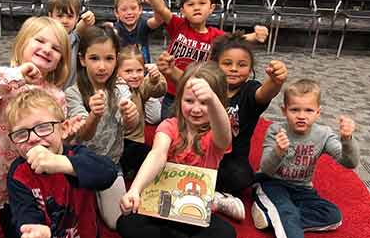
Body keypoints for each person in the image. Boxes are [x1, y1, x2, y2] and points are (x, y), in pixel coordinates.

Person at [0, 16, 70, 237]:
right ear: (21, 44)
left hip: (35, 176)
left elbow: (56, 141)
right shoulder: (4, 80)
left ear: (61, 60)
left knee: (34, 223)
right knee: (8, 223)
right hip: (2, 171)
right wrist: (16, 75)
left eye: (56, 48)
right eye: (40, 40)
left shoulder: (57, 96)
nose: (47, 49)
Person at [117, 65, 237, 238]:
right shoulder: (169, 126)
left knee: (225, 233)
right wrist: (135, 189)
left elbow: (224, 136)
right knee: (126, 223)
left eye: (204, 103)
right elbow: (157, 154)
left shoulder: (215, 132)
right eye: (189, 101)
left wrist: (212, 100)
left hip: (196, 211)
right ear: (179, 99)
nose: (196, 109)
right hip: (161, 205)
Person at [140, 0, 269, 120]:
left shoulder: (215, 35)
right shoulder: (178, 25)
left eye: (202, 3)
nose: (196, 7)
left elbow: (235, 40)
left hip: (196, 94)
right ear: (182, 10)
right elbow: (162, 8)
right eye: (190, 4)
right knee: (167, 126)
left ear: (211, 8)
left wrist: (256, 35)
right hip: (172, 93)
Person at [252, 79, 360, 238]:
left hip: (303, 188)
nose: (301, 116)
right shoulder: (276, 130)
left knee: (333, 215)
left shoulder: (324, 134)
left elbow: (350, 163)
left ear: (318, 112)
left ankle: (272, 216)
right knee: (287, 211)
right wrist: (278, 152)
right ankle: (282, 214)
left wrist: (348, 139)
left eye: (309, 110)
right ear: (284, 110)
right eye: (294, 110)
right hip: (273, 183)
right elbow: (265, 169)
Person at [6, 87, 118, 238]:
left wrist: (61, 163)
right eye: (21, 133)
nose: (32, 138)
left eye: (43, 127)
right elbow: (23, 214)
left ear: (63, 129)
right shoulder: (18, 173)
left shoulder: (76, 154)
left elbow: (108, 173)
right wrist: (35, 230)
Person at [65, 26, 139, 230]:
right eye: (94, 58)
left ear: (116, 59)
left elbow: (131, 127)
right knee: (75, 219)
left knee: (117, 222)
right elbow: (82, 135)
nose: (102, 66)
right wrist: (94, 116)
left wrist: (131, 115)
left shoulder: (120, 87)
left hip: (111, 163)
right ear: (82, 59)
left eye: (109, 59)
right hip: (80, 164)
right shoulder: (74, 93)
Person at [210, 34, 288, 213]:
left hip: (233, 159)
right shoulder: (210, 86)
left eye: (242, 65)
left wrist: (276, 81)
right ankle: (214, 194)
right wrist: (170, 71)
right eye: (227, 63)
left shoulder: (250, 89)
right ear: (216, 66)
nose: (234, 69)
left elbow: (264, 94)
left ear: (251, 68)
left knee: (242, 178)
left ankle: (216, 195)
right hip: (206, 153)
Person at [117, 46, 167, 180]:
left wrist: (155, 79)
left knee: (146, 153)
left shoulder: (139, 88)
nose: (134, 75)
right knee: (144, 153)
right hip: (118, 142)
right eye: (128, 71)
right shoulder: (115, 88)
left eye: (139, 70)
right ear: (117, 72)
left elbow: (158, 91)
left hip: (135, 140)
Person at [47, 0, 96, 89]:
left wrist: (88, 17)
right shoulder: (45, 39)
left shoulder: (75, 37)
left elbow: (83, 26)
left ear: (77, 18)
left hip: (70, 94)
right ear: (50, 16)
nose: (64, 21)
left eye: (70, 16)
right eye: (60, 16)